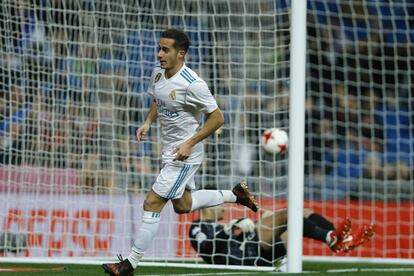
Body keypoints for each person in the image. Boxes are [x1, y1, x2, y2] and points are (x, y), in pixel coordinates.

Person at [102, 29, 258, 276]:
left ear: (181, 53)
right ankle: (235, 195)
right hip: (169, 150)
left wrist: (190, 143)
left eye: (166, 50)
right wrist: (148, 122)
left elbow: (218, 119)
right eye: (159, 48)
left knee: (152, 202)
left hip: (186, 154)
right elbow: (158, 99)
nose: (160, 54)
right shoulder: (158, 73)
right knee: (183, 206)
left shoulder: (193, 83)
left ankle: (129, 264)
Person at [189, 205, 375, 267]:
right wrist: (229, 229)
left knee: (301, 212)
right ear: (207, 207)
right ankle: (333, 239)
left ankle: (339, 238)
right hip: (246, 257)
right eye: (218, 203)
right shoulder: (197, 227)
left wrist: (253, 224)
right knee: (287, 215)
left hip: (253, 249)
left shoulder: (217, 225)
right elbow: (207, 251)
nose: (222, 206)